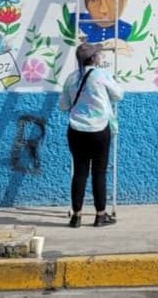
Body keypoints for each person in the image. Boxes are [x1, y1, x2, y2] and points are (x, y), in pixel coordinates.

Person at [58, 43, 124, 228]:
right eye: (99, 54)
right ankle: (100, 216)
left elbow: (63, 105)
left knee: (79, 172)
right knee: (99, 172)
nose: (101, 56)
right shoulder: (101, 75)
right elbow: (118, 95)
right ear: (94, 58)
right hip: (99, 129)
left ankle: (76, 216)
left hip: (76, 129)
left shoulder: (71, 78)